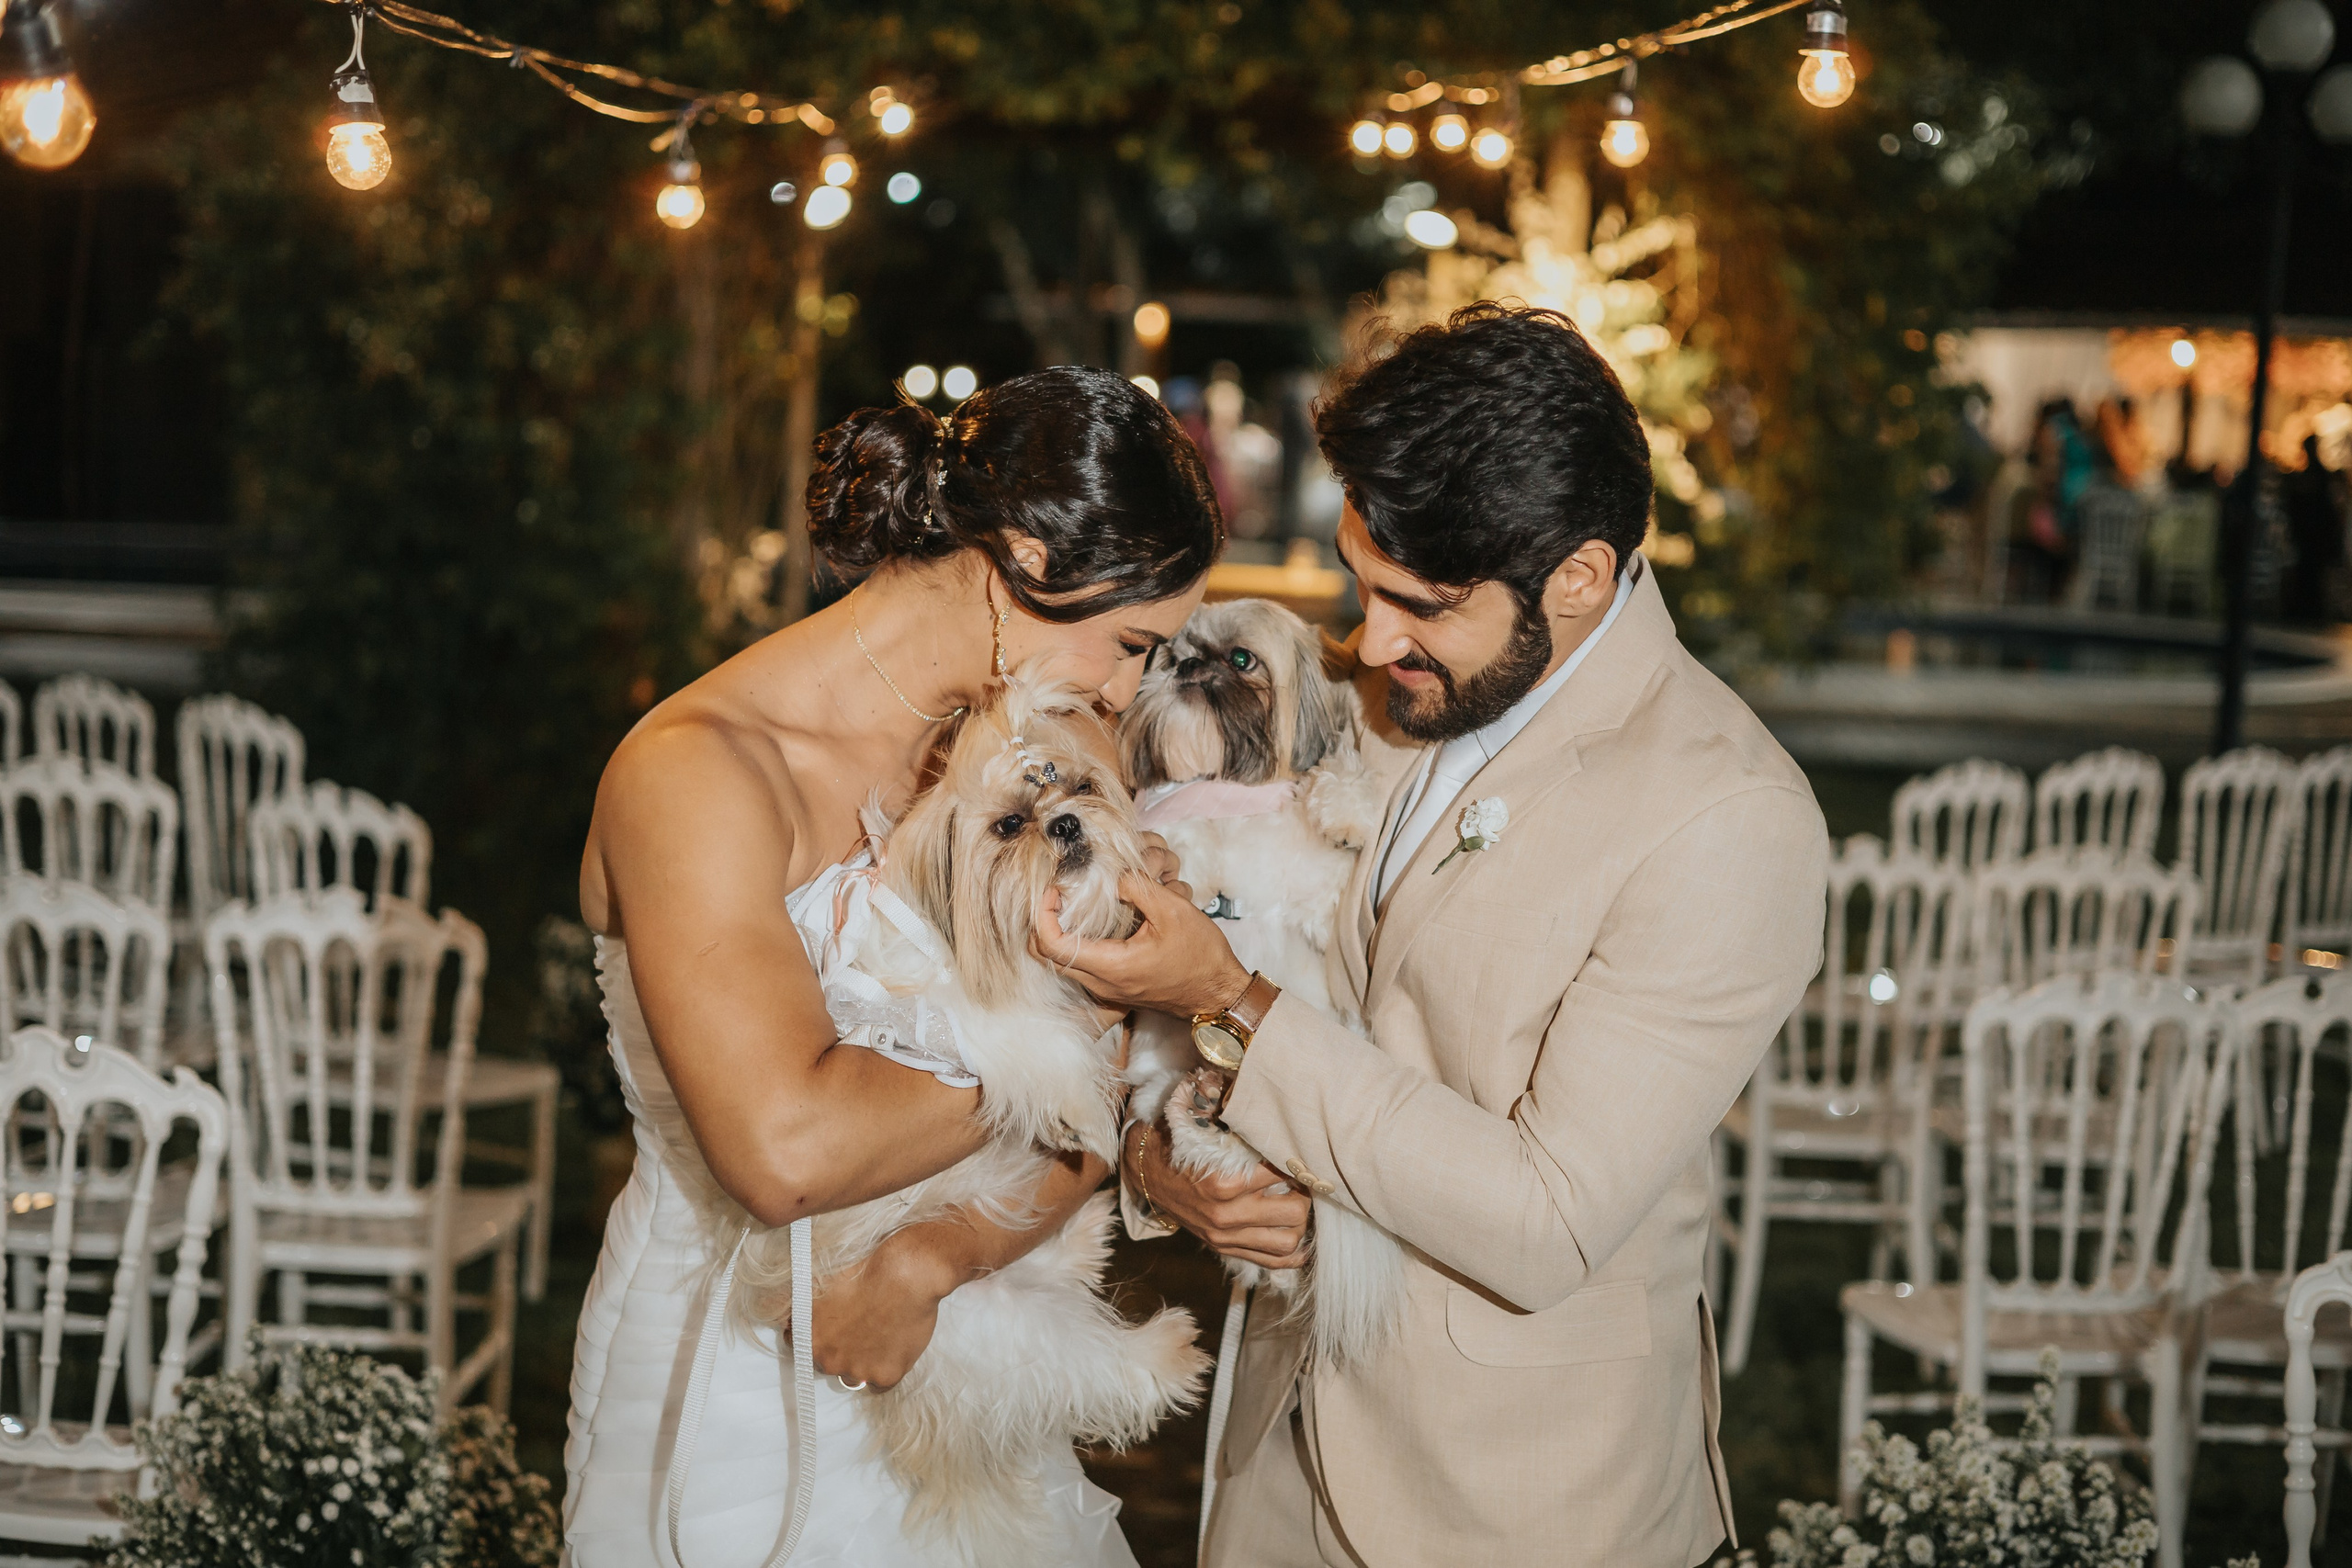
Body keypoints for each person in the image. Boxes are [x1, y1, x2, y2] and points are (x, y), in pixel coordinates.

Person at [1039, 303, 1830, 1568]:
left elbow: (1545, 1218)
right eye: (1362, 582)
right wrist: (1156, 1162)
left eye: (1419, 604)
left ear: (1577, 576)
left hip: (1517, 1505)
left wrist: (1232, 1000)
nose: (1369, 639)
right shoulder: (1388, 701)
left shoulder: (1726, 818)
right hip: (1269, 1468)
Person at [565, 366, 1221, 1567]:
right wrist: (1068, 1047)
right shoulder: (702, 772)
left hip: (974, 1370)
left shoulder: (1061, 748)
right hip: (732, 1388)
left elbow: (1091, 1130)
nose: (1130, 692)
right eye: (1130, 644)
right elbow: (786, 1151)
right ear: (1021, 554)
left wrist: (935, 1259)